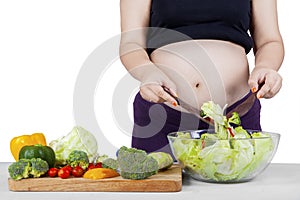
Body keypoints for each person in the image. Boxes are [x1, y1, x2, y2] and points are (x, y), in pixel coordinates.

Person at [119, 0, 284, 155]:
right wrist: (148, 72)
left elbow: (269, 41)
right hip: (163, 115)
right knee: (160, 184)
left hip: (237, 116)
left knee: (244, 186)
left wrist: (266, 67)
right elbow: (131, 43)